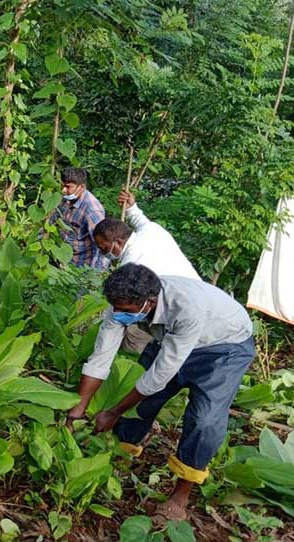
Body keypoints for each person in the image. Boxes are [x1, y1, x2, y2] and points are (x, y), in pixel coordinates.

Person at [66, 264, 254, 522]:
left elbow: (157, 377)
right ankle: (120, 457)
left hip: (224, 347)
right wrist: (79, 406)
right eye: (116, 309)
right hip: (172, 338)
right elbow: (101, 357)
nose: (119, 315)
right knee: (141, 403)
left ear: (149, 302)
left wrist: (113, 412)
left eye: (126, 311)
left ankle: (181, 495)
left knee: (204, 420)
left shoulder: (187, 308)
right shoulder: (122, 303)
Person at [92, 189, 201, 352]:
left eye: (105, 248)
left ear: (119, 242)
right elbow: (140, 220)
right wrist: (131, 207)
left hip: (179, 308)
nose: (103, 253)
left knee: (136, 341)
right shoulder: (152, 231)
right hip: (200, 294)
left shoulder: (131, 263)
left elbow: (117, 306)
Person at [49, 167, 109, 270]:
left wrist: (94, 277)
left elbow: (102, 247)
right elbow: (51, 220)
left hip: (81, 268)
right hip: (62, 261)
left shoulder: (92, 210)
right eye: (62, 185)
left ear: (81, 187)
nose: (63, 190)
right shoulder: (64, 199)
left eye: (68, 187)